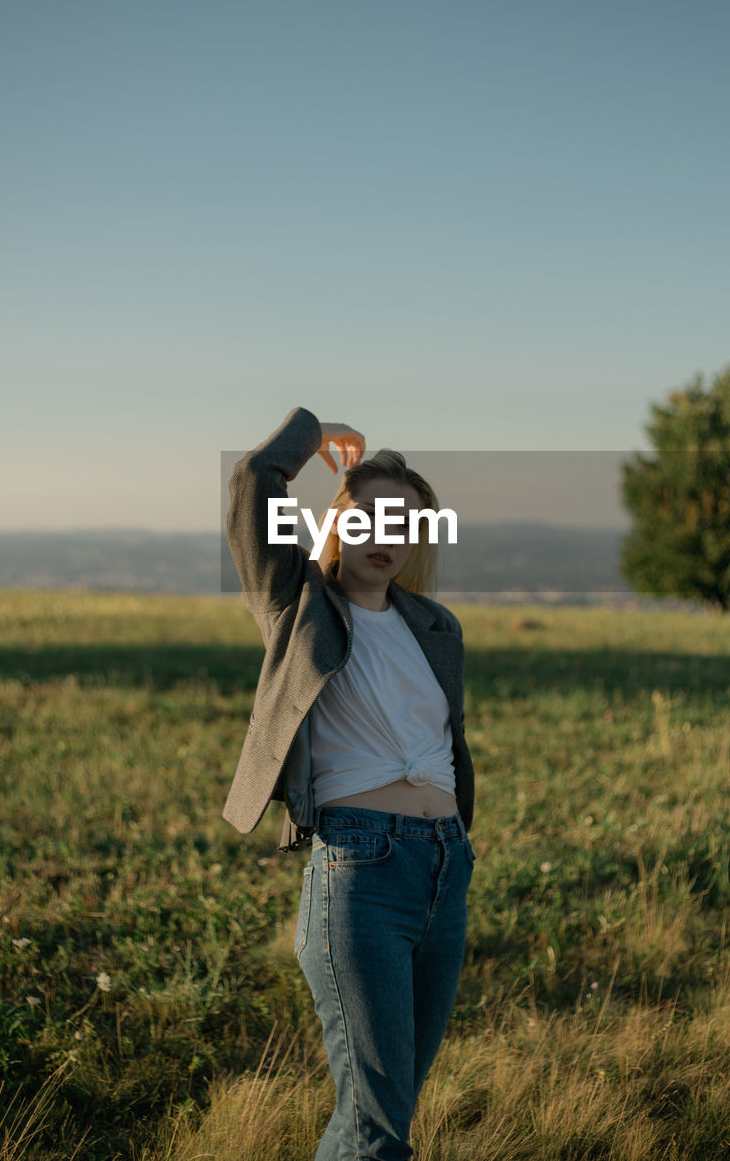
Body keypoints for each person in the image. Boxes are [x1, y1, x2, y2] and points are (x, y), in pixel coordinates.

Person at [223, 406, 475, 1161]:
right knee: (376, 1128)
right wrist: (319, 431)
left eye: (403, 525)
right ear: (337, 524)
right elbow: (251, 481)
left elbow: (446, 745)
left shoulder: (434, 625)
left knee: (385, 1113)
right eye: (366, 519)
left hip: (443, 867)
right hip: (359, 870)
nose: (384, 538)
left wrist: (455, 841)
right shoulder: (296, 605)